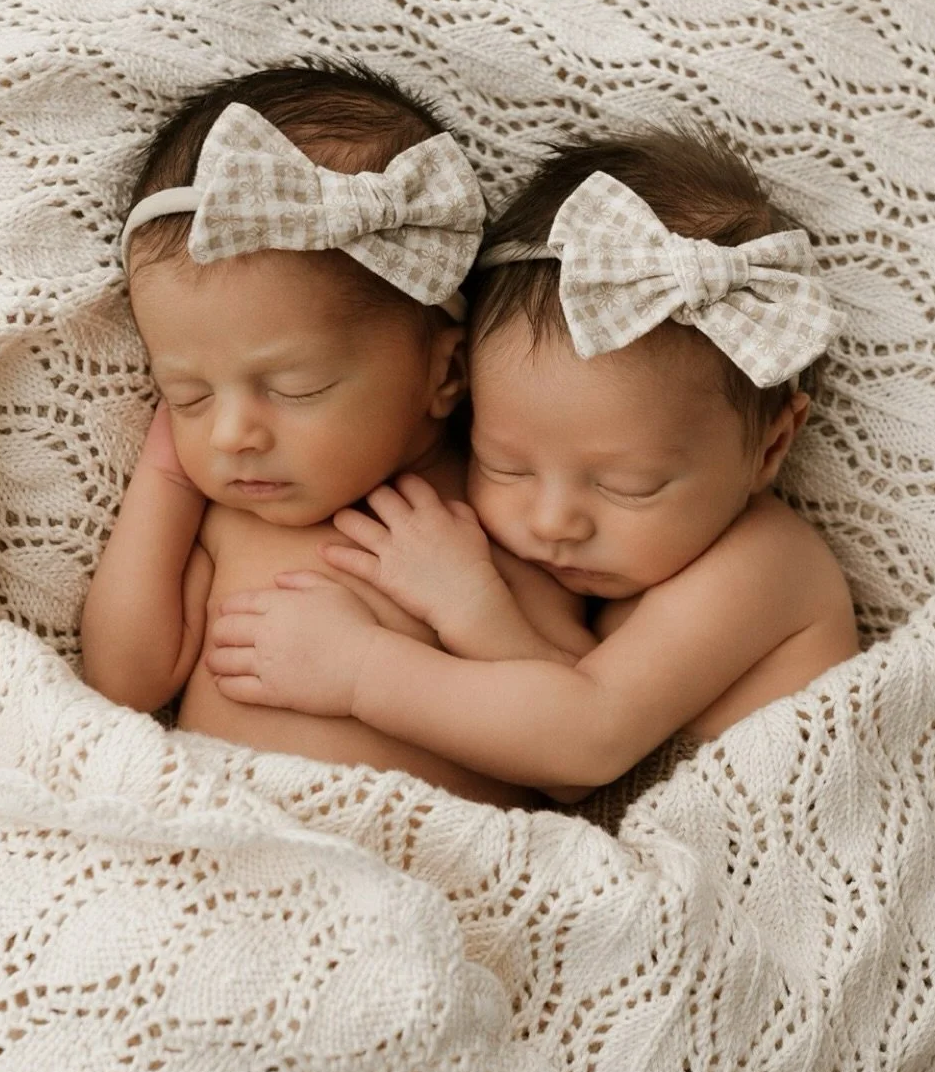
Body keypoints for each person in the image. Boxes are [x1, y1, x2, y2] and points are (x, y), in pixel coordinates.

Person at [204, 126, 862, 801]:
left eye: (628, 485)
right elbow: (553, 725)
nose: (553, 521)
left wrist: (362, 668)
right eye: (505, 466)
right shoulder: (599, 570)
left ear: (772, 448)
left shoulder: (766, 564)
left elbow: (585, 739)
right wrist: (481, 614)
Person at [80, 60, 593, 808]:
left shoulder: (498, 516)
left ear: (442, 374)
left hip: (440, 866)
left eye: (296, 388)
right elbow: (123, 681)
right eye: (187, 394)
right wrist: (163, 480)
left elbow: (575, 763)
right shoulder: (228, 520)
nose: (231, 434)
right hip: (232, 845)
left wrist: (475, 608)